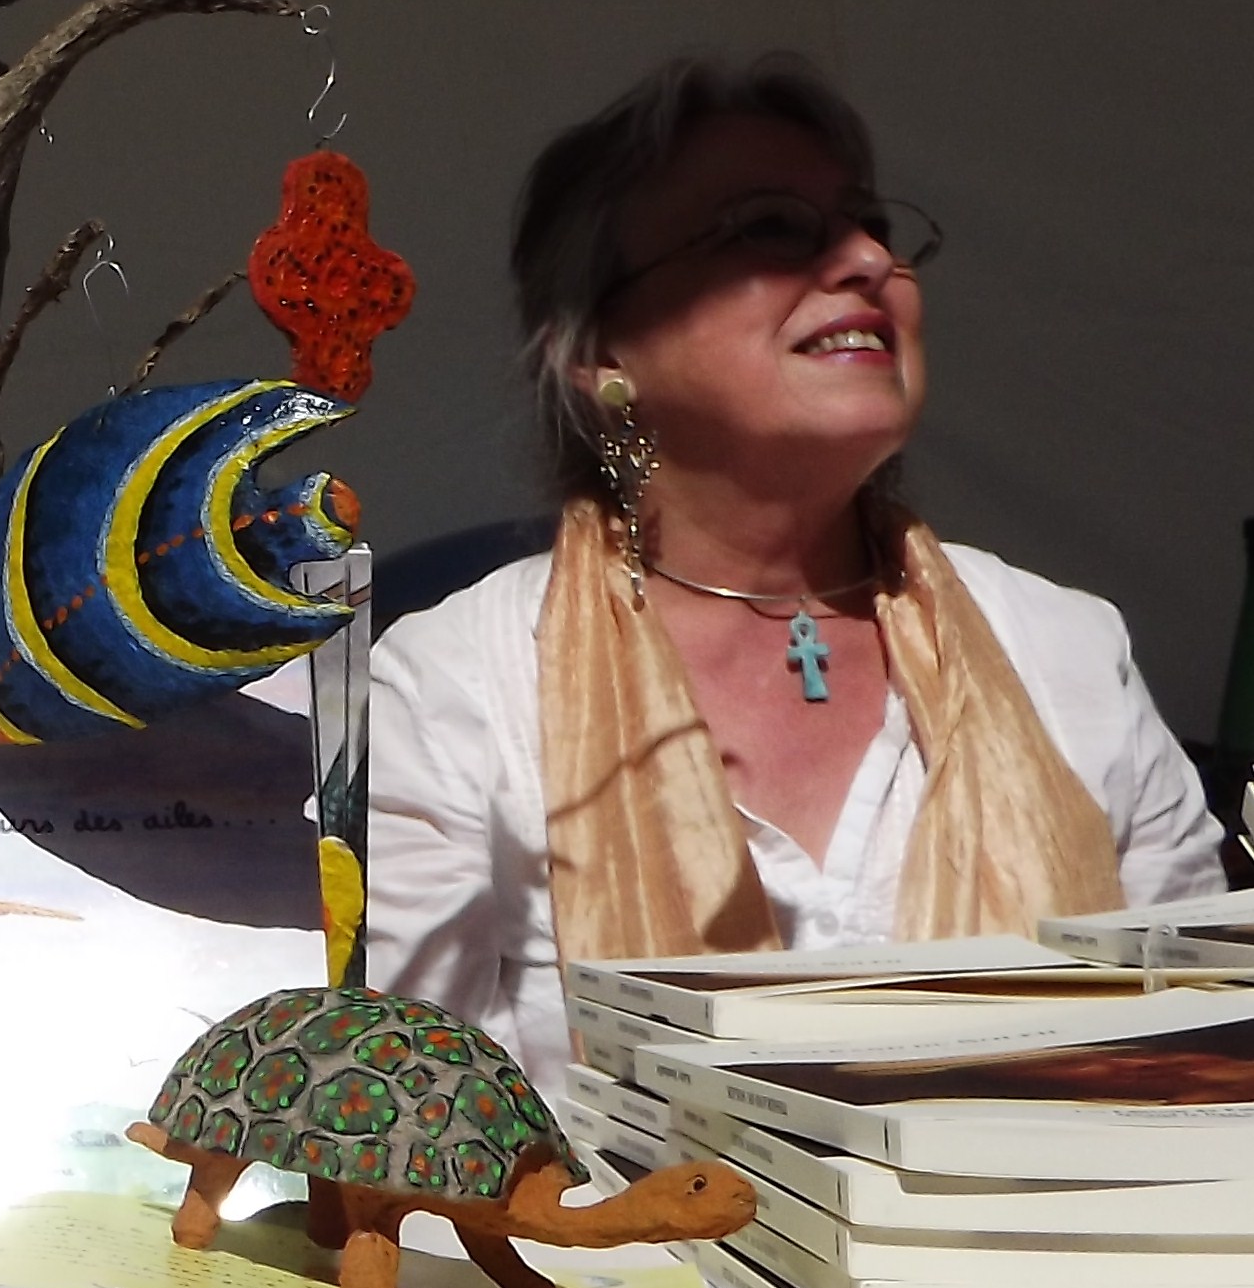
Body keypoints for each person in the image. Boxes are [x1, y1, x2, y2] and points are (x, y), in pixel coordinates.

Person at [365, 56, 1222, 1090]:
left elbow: (1208, 1057)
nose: (866, 260)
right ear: (602, 355)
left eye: (873, 225)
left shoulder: (1064, 650)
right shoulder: (457, 686)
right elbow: (410, 1124)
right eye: (769, 228)